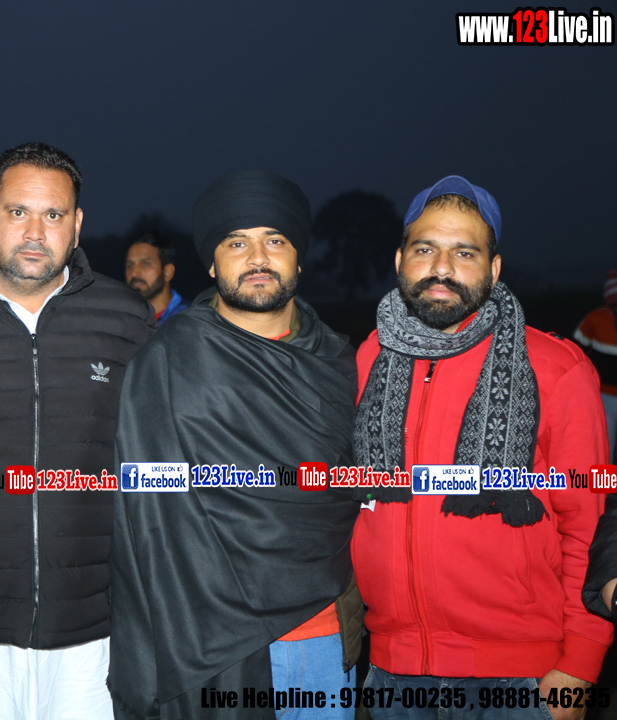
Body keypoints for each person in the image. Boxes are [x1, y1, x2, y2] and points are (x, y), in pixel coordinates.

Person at [351, 175, 611, 719]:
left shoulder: (557, 368)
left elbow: (587, 525)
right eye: (425, 249)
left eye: (464, 252)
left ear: (493, 270)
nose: (442, 268)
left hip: (520, 679)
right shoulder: (367, 359)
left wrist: (581, 666)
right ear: (400, 260)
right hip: (394, 673)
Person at [109, 170, 362, 720]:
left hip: (323, 638)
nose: (258, 258)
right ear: (211, 262)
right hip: (209, 642)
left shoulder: (341, 364)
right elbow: (144, 519)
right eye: (237, 243)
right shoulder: (168, 361)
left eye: (275, 240)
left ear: (299, 258)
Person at [0, 142, 156, 719]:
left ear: (76, 226)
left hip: (91, 629)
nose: (35, 232)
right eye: (18, 212)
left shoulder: (127, 318)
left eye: (53, 214)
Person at [573, 269, 617, 463]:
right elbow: (574, 352)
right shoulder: (595, 319)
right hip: (603, 396)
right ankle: (604, 483)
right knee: (604, 446)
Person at [124, 233, 189, 324]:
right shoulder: (121, 320)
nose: (134, 273)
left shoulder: (190, 321)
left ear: (168, 272)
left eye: (145, 264)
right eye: (130, 266)